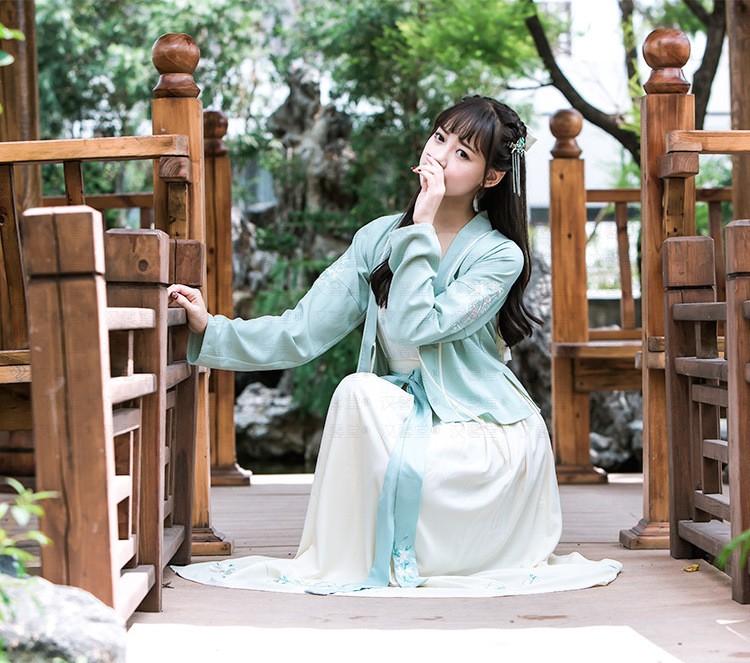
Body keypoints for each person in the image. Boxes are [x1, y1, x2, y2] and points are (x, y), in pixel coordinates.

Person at [169, 95, 622, 597]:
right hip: (400, 411)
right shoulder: (376, 238)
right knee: (357, 391)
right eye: (439, 137)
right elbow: (302, 331)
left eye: (462, 153)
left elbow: (416, 326)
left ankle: (430, 551)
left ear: (491, 177)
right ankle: (355, 557)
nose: (439, 155)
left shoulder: (499, 255)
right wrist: (211, 329)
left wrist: (419, 227)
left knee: (360, 392)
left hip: (478, 427)